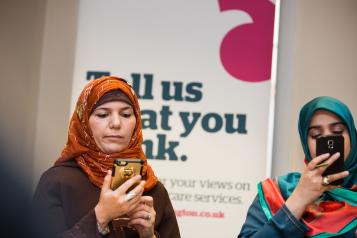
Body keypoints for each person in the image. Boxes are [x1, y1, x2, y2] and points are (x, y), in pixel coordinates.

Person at [32, 76, 181, 238]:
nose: (116, 123)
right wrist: (100, 217)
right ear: (84, 123)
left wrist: (149, 236)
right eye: (103, 115)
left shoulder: (151, 188)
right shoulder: (58, 181)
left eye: (125, 114)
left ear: (136, 122)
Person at [238, 96, 357, 238]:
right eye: (316, 135)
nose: (328, 141)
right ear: (305, 143)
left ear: (352, 136)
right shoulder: (279, 192)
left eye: (337, 132)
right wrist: (298, 199)